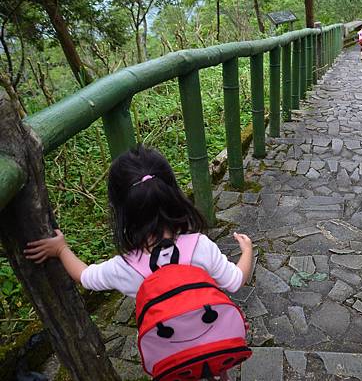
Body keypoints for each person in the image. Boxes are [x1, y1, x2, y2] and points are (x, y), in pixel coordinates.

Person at [24, 145, 253, 381]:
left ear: (121, 210)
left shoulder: (124, 266)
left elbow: (85, 276)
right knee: (212, 351)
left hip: (170, 354)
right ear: (172, 193)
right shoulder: (200, 245)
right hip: (214, 342)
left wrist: (61, 249)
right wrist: (247, 251)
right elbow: (235, 281)